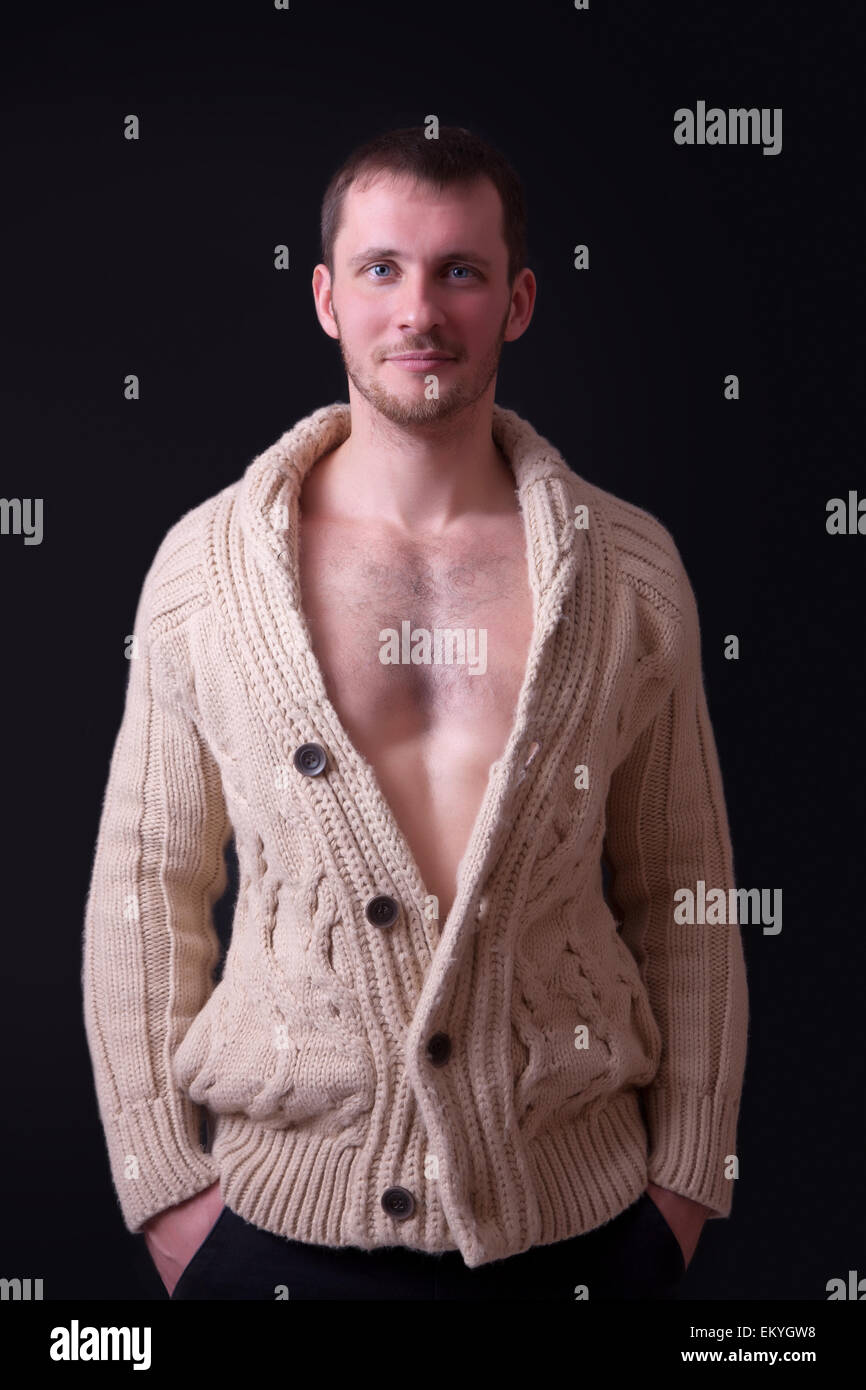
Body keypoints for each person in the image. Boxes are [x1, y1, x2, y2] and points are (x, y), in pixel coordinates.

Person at [82, 124, 749, 1301]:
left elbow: (683, 886)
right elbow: (145, 883)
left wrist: (687, 1179)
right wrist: (162, 1187)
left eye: (460, 270)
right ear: (327, 297)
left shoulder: (630, 570)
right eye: (383, 268)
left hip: (581, 1226)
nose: (420, 311)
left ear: (518, 299)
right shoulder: (203, 568)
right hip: (272, 1232)